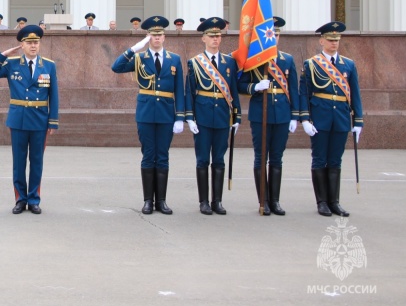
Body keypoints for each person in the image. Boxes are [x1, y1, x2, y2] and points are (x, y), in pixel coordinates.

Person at [111, 16, 185, 215]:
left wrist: (180, 117)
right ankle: (147, 201)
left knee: (163, 157)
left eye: (160, 34)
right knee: (148, 156)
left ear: (164, 37)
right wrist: (133, 49)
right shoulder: (139, 58)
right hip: (145, 114)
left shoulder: (174, 59)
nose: (157, 38)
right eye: (153, 35)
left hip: (166, 115)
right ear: (148, 37)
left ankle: (161, 201)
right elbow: (116, 67)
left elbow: (180, 90)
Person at [0, 25, 59, 214]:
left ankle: (34, 199)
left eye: (36, 42)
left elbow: (54, 95)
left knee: (36, 161)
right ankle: (20, 199)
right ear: (21, 45)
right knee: (18, 162)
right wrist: (2, 55)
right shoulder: (13, 64)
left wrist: (53, 121)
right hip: (18, 120)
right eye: (29, 43)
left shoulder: (48, 65)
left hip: (40, 120)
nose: (33, 46)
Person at [300, 21, 363, 218]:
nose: (334, 43)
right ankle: (322, 202)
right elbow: (304, 94)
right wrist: (305, 119)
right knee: (320, 158)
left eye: (336, 40)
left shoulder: (348, 64)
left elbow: (355, 94)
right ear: (321, 41)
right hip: (320, 116)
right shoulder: (311, 64)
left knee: (335, 160)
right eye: (330, 40)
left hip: (341, 118)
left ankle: (334, 201)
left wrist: (358, 121)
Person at [237, 17, 299, 216]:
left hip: (281, 113)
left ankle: (275, 200)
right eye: (271, 34)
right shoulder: (254, 60)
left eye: (277, 34)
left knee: (277, 159)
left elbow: (294, 89)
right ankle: (262, 200)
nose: (275, 37)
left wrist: (295, 116)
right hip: (259, 114)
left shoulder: (287, 60)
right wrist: (255, 87)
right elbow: (240, 85)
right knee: (260, 157)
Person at [185, 17, 242, 215]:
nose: (216, 39)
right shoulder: (195, 63)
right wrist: (190, 117)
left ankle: (217, 201)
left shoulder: (229, 62)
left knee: (219, 159)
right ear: (203, 38)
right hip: (202, 117)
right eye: (211, 36)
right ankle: (203, 202)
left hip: (222, 118)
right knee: (202, 160)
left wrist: (237, 117)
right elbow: (190, 92)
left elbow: (233, 91)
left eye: (218, 36)